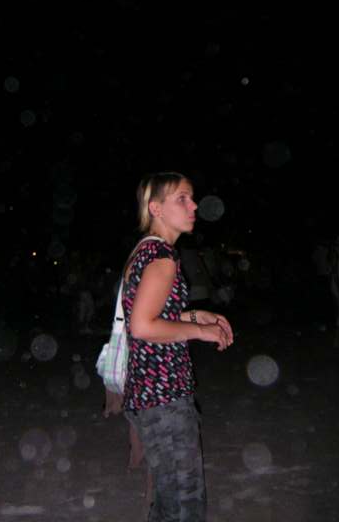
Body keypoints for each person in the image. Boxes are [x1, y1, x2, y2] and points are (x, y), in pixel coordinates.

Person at [122, 171, 234, 521]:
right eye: (182, 199)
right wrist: (199, 332)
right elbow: (143, 326)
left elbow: (153, 314)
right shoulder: (162, 257)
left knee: (169, 498)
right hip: (164, 396)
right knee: (185, 503)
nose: (194, 205)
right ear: (156, 208)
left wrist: (196, 315)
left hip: (149, 393)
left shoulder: (146, 250)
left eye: (192, 197)